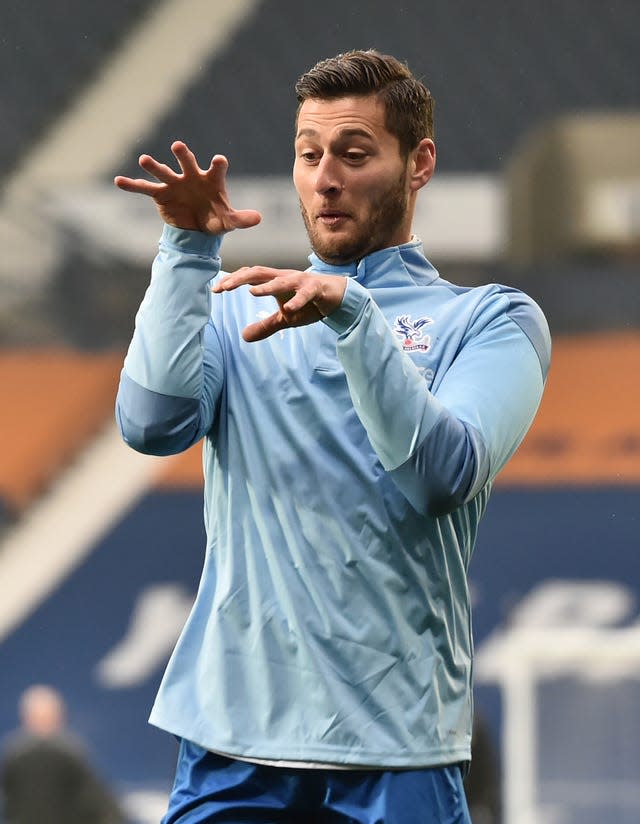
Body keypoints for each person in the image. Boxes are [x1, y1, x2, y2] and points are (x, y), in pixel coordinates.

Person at [114, 49, 550, 823]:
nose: (325, 178)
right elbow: (150, 426)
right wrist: (185, 250)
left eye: (354, 154)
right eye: (309, 155)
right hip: (230, 746)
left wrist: (356, 320)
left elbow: (442, 474)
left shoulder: (491, 321)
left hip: (394, 749)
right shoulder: (236, 309)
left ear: (419, 164)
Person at [0, 684, 124, 824]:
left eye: (46, 717)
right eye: (39, 717)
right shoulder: (16, 756)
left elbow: (98, 802)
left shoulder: (70, 753)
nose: (43, 723)